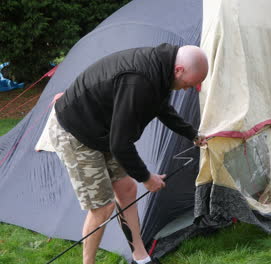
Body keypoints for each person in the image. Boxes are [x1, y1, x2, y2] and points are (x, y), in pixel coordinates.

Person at [46, 43, 208, 264]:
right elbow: (120, 144)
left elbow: (162, 109)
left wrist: (192, 134)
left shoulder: (161, 70)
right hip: (75, 131)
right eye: (189, 84)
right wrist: (147, 177)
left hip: (103, 128)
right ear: (179, 70)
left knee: (127, 188)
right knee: (102, 207)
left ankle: (140, 257)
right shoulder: (141, 81)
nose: (188, 89)